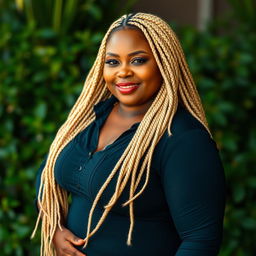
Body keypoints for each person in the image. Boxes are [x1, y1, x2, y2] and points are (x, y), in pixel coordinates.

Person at [32, 12, 226, 256]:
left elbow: (200, 241)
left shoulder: (182, 139)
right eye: (113, 62)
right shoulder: (89, 119)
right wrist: (56, 228)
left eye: (138, 60)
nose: (123, 72)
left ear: (164, 64)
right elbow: (48, 173)